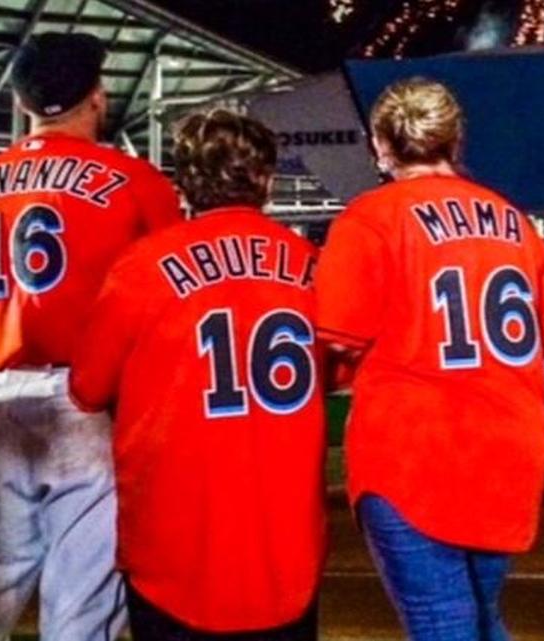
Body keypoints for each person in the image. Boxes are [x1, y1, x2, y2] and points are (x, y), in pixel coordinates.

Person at [0, 32, 183, 641]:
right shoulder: (134, 179)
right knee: (82, 612)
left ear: (22, 102)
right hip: (86, 405)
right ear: (96, 98)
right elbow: (166, 299)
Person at [314, 78, 544, 641]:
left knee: (442, 623)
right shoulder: (514, 222)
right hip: (506, 453)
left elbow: (340, 340)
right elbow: (541, 341)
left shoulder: (370, 217)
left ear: (380, 145)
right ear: (456, 139)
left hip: (414, 453)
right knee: (483, 616)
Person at [69, 110, 327, 641]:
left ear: (183, 181)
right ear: (267, 180)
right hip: (286, 549)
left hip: (172, 548)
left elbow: (87, 388)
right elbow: (341, 371)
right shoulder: (314, 265)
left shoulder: (140, 266)